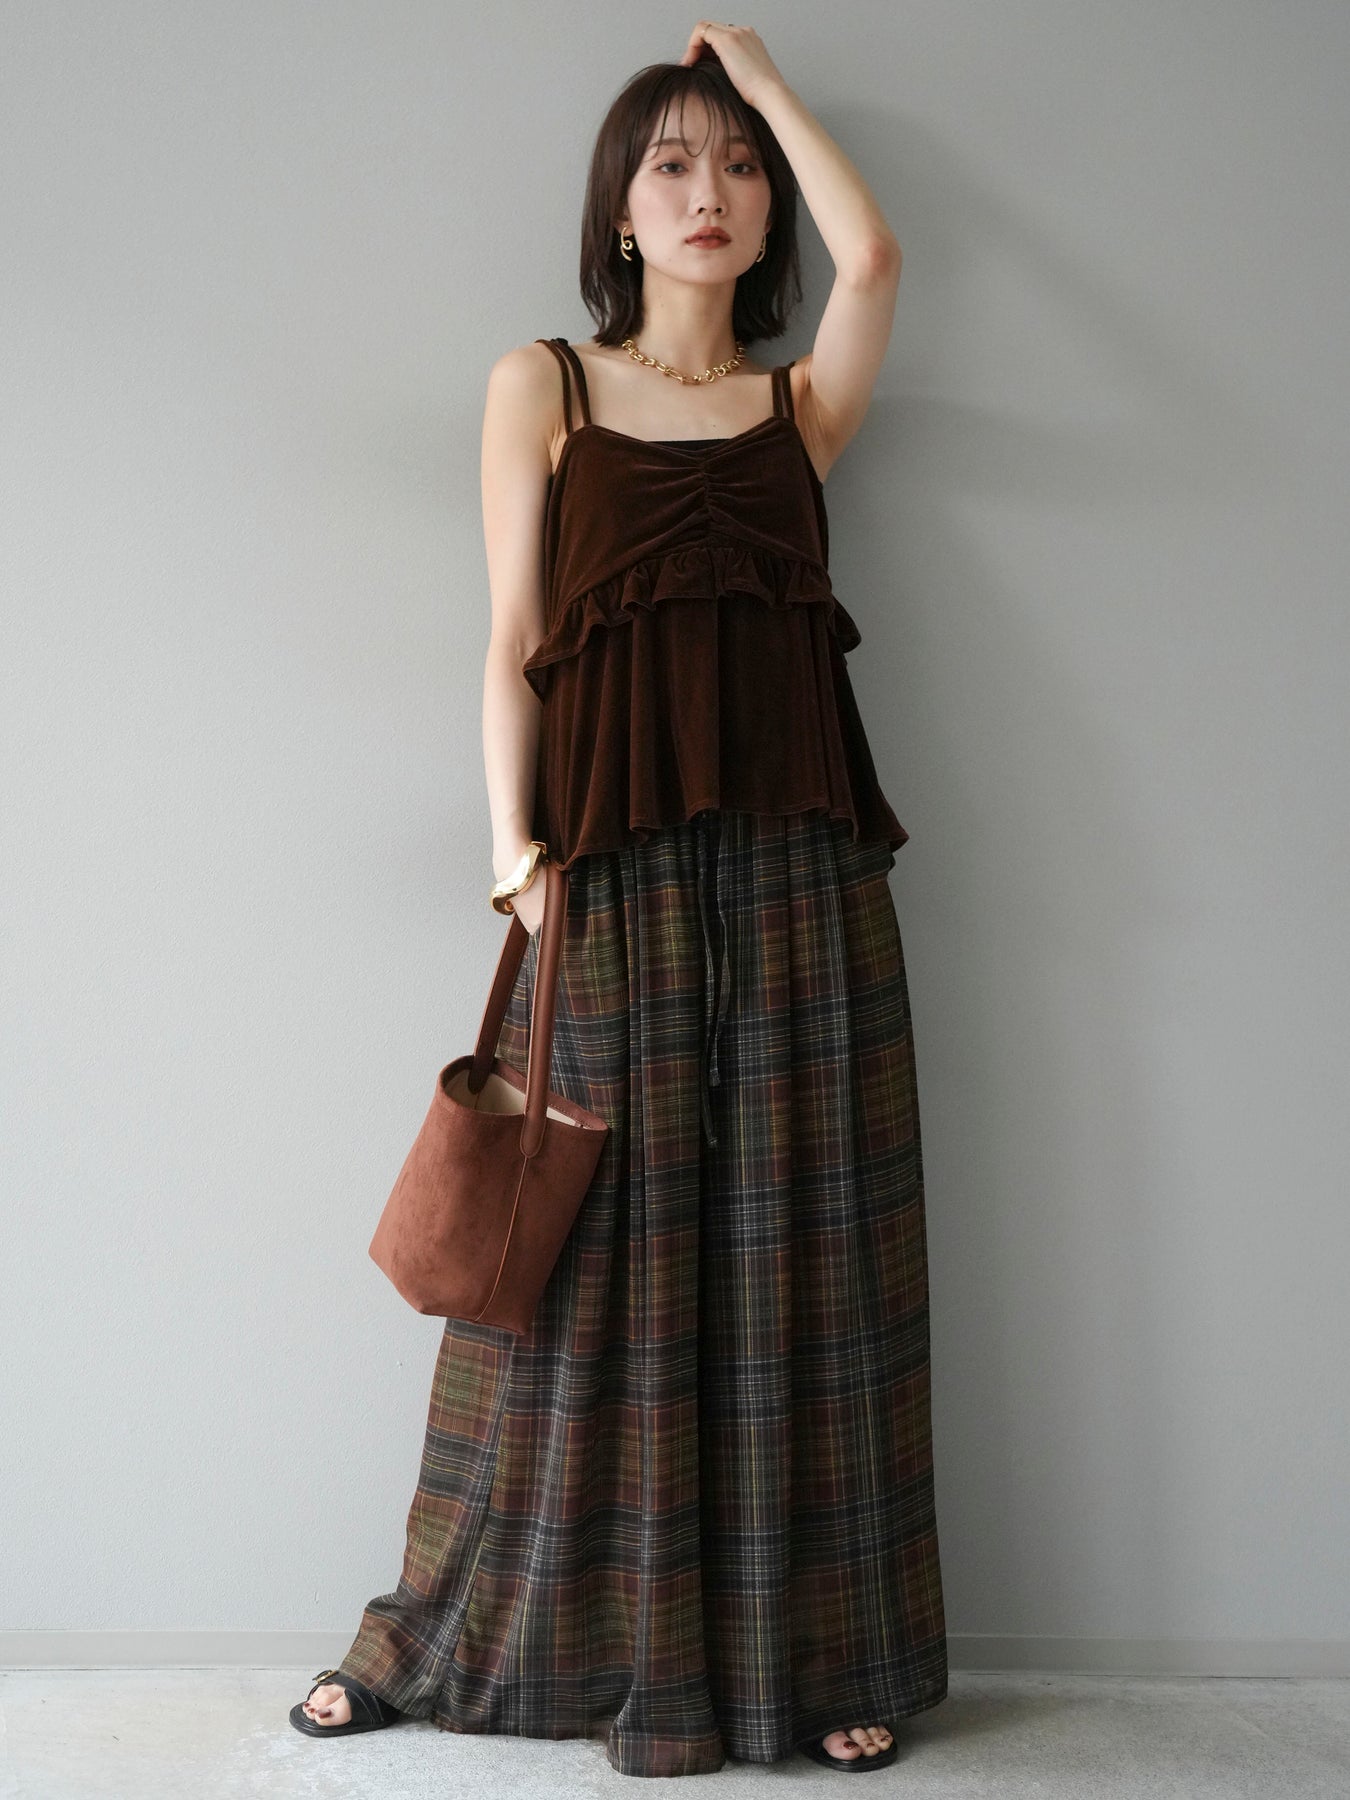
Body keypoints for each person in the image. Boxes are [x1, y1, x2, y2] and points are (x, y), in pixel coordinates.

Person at [290, 20, 947, 1779]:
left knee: (808, 1253)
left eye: (735, 167)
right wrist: (515, 860)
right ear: (619, 211)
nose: (707, 190)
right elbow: (511, 636)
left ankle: (823, 1658)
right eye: (670, 163)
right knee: (576, 1268)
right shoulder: (548, 387)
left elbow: (879, 258)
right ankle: (443, 1634)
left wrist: (759, 81)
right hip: (607, 869)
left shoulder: (796, 409)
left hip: (802, 872)